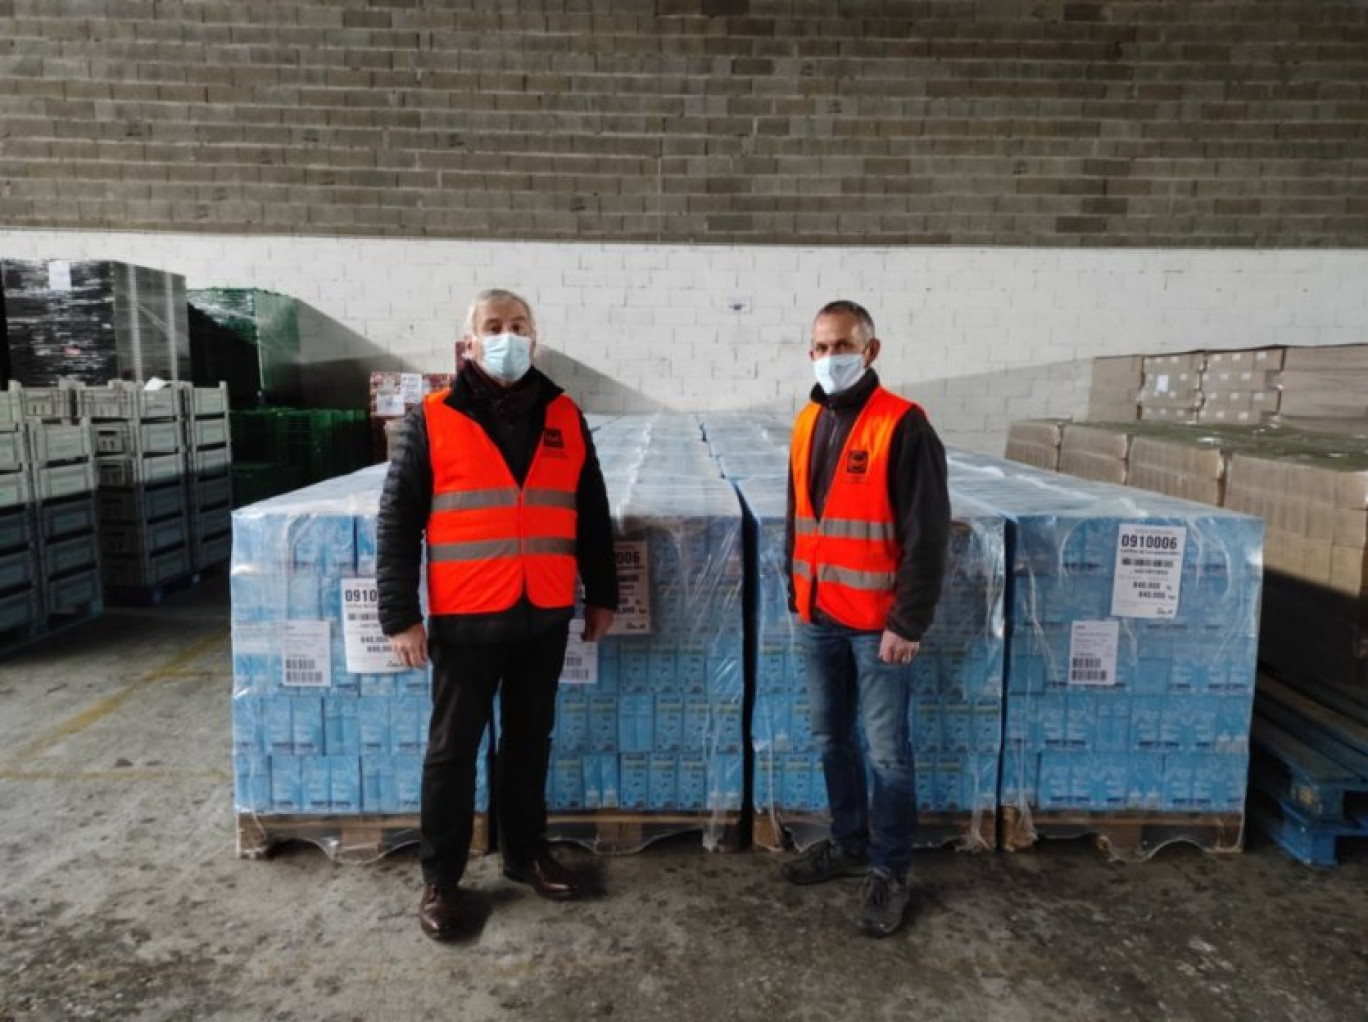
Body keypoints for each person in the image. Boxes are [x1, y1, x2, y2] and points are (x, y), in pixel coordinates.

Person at [377, 288, 619, 942]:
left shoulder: (564, 414)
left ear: (534, 339)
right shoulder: (432, 418)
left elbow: (590, 513)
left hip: (542, 613)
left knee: (528, 742)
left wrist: (603, 593)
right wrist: (400, 616)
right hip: (464, 619)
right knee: (452, 753)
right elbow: (397, 522)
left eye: (517, 326)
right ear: (469, 343)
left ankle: (525, 853)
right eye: (492, 327)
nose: (505, 336)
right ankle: (442, 879)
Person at [782, 299, 951, 938]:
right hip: (818, 616)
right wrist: (796, 596)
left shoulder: (903, 425)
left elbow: (927, 533)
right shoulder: (805, 423)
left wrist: (909, 622)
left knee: (887, 752)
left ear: (871, 349)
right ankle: (849, 842)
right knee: (830, 736)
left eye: (843, 345)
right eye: (822, 347)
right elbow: (798, 519)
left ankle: (890, 869)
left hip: (878, 624)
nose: (831, 357)